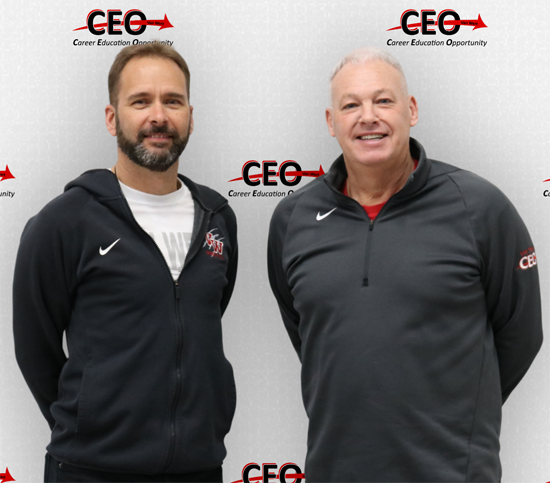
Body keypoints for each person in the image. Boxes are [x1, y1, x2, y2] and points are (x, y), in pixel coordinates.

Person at [267, 47, 543, 482]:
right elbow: (312, 339)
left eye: (383, 100)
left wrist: (455, 412)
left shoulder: (479, 207)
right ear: (331, 122)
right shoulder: (293, 218)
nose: (368, 117)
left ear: (410, 110)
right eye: (351, 105)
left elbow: (520, 335)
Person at [13, 42, 238, 483]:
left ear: (190, 116)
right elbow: (34, 349)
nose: (159, 116)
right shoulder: (66, 221)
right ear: (112, 117)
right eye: (140, 101)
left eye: (172, 101)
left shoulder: (217, 218)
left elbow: (201, 315)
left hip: (198, 468)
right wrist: (90, 424)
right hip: (90, 471)